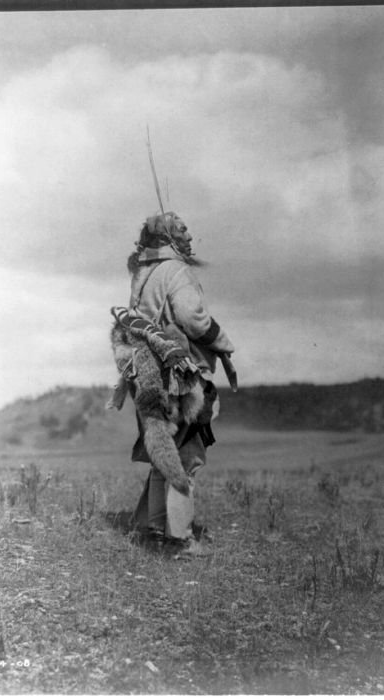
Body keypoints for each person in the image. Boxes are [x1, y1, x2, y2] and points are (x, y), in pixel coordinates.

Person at [115, 211, 235, 556]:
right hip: (181, 377)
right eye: (182, 230)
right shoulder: (176, 271)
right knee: (186, 457)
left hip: (148, 375)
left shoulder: (142, 274)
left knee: (161, 453)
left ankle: (152, 531)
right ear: (166, 237)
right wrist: (224, 342)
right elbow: (193, 319)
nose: (190, 237)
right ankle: (179, 540)